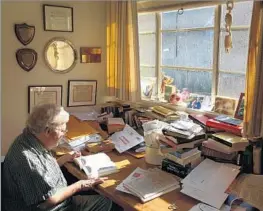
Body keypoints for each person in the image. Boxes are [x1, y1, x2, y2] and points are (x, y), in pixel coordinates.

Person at [2, 104, 114, 211]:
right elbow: (48, 201)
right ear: (47, 131)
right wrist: (80, 185)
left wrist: (63, 159)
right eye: (62, 131)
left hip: (45, 197)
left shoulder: (28, 138)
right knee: (105, 201)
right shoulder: (28, 159)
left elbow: (41, 169)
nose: (64, 134)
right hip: (47, 207)